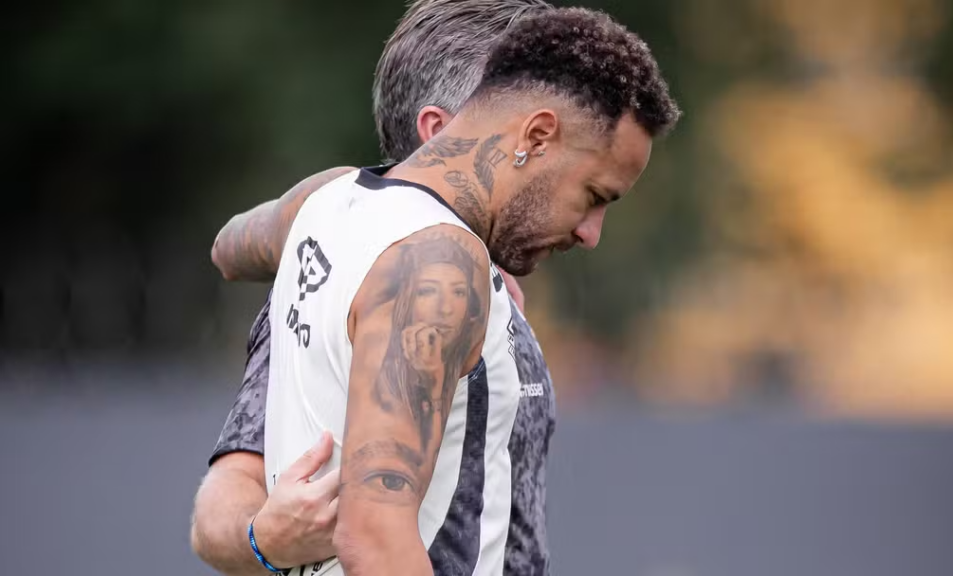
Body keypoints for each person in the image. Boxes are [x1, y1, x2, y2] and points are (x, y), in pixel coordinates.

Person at [260, 7, 677, 575]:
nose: (591, 232)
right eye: (594, 195)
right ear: (537, 135)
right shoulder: (441, 263)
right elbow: (375, 537)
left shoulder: (325, 204)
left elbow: (230, 244)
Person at [190, 2, 554, 575]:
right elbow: (222, 504)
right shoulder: (346, 264)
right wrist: (263, 538)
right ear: (439, 132)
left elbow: (233, 244)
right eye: (533, 132)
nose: (548, 154)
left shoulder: (478, 275)